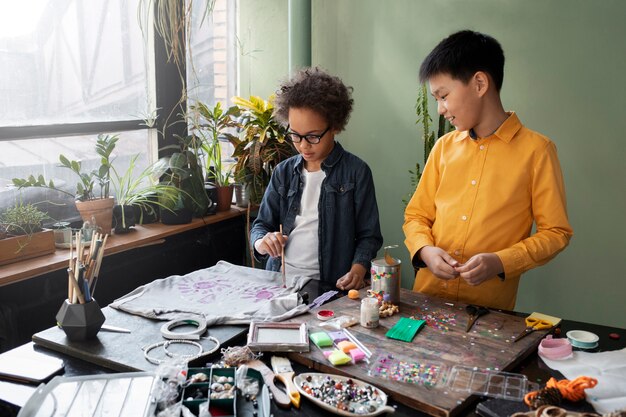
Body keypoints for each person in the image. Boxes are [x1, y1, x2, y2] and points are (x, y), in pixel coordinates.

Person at [403, 30, 573, 310]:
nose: (440, 109)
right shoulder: (444, 147)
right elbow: (416, 215)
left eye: (443, 96)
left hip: (486, 314)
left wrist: (502, 262)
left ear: (480, 83)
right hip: (426, 302)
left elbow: (556, 232)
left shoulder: (537, 151)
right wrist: (425, 251)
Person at [250, 67, 383, 295]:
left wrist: (358, 269)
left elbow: (369, 236)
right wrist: (262, 242)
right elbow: (261, 225)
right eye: (295, 135)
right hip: (280, 282)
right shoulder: (282, 172)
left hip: (330, 286)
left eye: (313, 136)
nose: (303, 145)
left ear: (335, 127)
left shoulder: (356, 172)